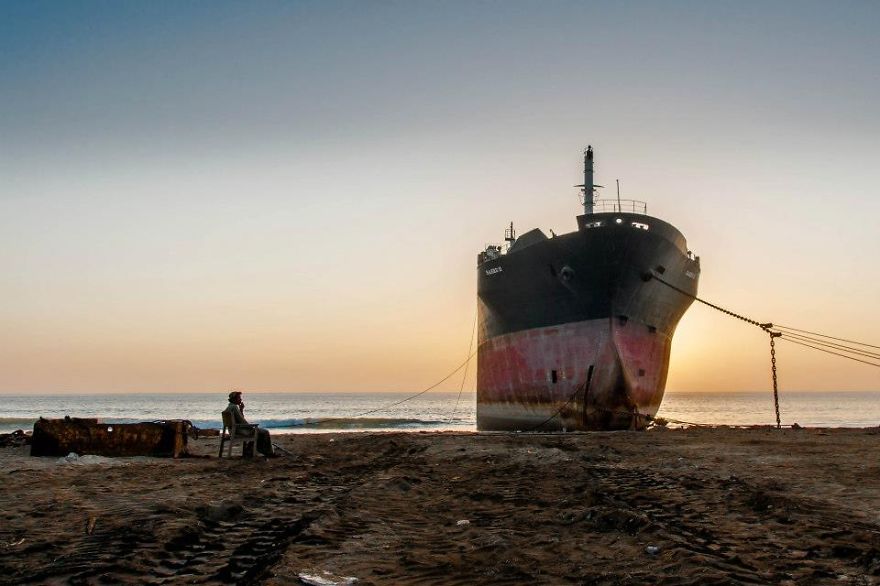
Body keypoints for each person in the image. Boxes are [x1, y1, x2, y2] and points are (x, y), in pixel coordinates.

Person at [224, 391, 275, 457]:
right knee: (265, 432)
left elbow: (239, 420)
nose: (241, 399)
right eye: (239, 398)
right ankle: (269, 453)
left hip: (233, 430)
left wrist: (241, 410)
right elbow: (242, 421)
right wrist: (252, 427)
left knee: (259, 433)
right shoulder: (234, 407)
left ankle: (251, 450)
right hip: (239, 431)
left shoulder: (230, 407)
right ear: (234, 399)